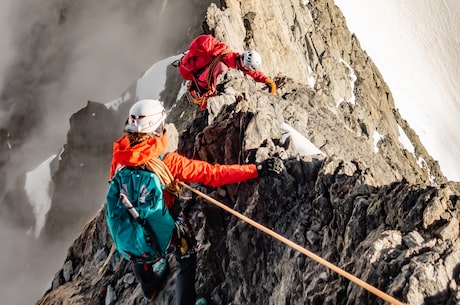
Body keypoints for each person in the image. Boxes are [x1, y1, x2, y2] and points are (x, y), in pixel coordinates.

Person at [107, 99, 283, 305]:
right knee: (186, 257)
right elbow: (211, 174)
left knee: (139, 247)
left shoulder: (120, 157)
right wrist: (255, 170)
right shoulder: (167, 162)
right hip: (168, 221)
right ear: (157, 128)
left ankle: (150, 288)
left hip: (131, 225)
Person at [178, 34, 277, 109]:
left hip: (203, 77)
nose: (249, 71)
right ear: (247, 66)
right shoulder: (223, 68)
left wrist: (266, 79)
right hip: (201, 84)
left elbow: (250, 72)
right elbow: (212, 87)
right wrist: (203, 103)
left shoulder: (232, 57)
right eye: (249, 68)